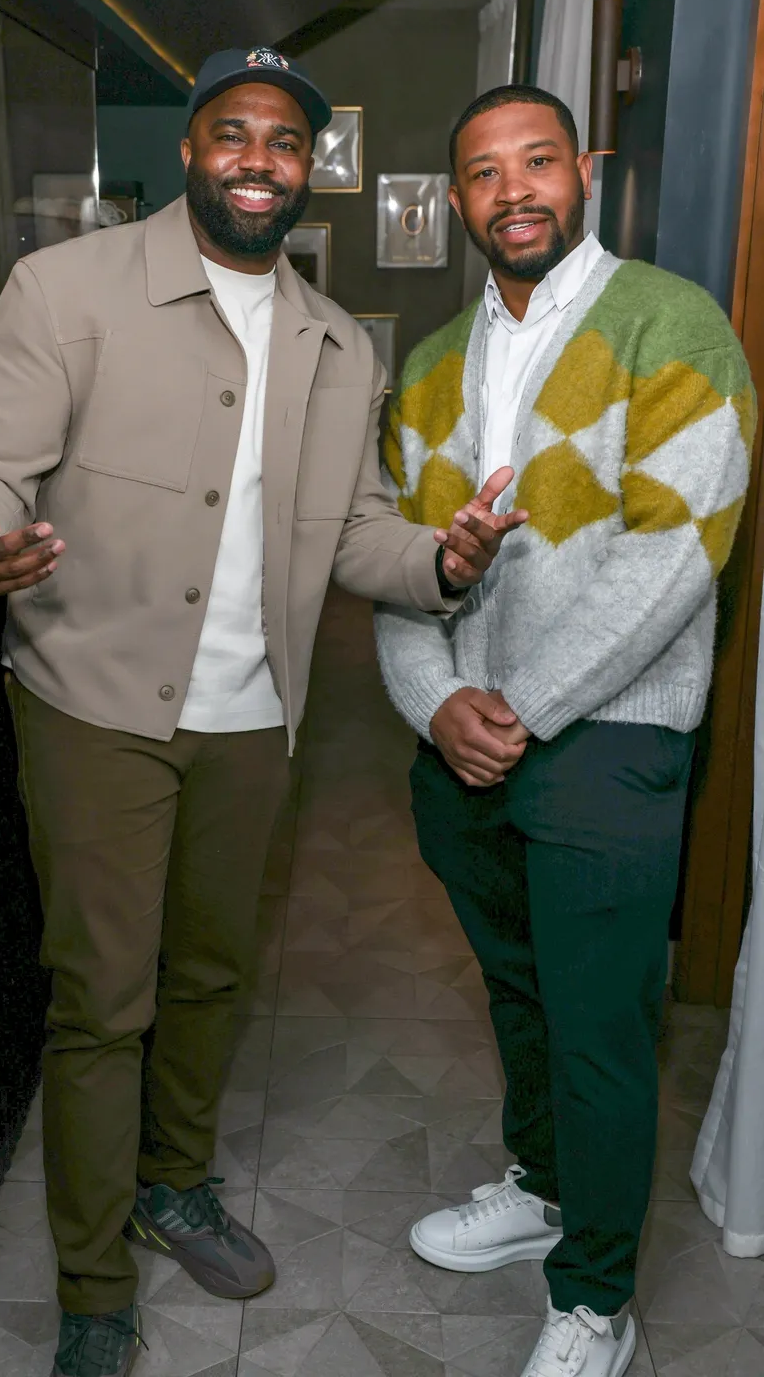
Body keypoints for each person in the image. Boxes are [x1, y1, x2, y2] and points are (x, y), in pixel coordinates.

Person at [0, 49, 524, 1377]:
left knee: (207, 974)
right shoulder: (67, 289)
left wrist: (439, 558)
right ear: (191, 151)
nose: (259, 158)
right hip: (93, 705)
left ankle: (172, 1183)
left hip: (256, 716)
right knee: (102, 1001)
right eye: (232, 133)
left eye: (285, 142)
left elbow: (349, 533)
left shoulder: (328, 341)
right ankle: (91, 1286)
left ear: (308, 171)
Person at [374, 83, 756, 1377]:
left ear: (581, 171)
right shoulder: (427, 372)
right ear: (457, 199)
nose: (513, 190)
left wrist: (521, 711)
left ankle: (594, 1296)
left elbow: (672, 560)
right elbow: (399, 571)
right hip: (461, 744)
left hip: (606, 738)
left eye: (536, 160)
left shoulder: (671, 325)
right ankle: (538, 1188)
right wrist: (438, 704)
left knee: (598, 1028)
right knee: (519, 991)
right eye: (483, 172)